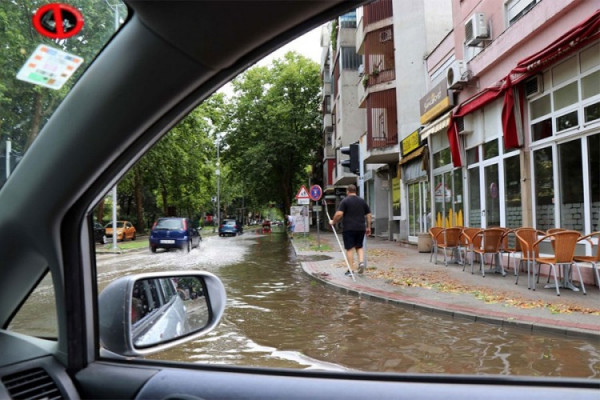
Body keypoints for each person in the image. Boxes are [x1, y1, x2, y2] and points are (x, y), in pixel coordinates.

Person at [329, 184, 372, 275]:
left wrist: (333, 222)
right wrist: (368, 227)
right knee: (359, 246)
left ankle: (351, 269)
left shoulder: (345, 201)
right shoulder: (362, 201)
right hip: (361, 228)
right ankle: (361, 262)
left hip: (349, 228)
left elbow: (339, 214)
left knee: (349, 248)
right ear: (355, 191)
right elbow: (368, 215)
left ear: (347, 191)